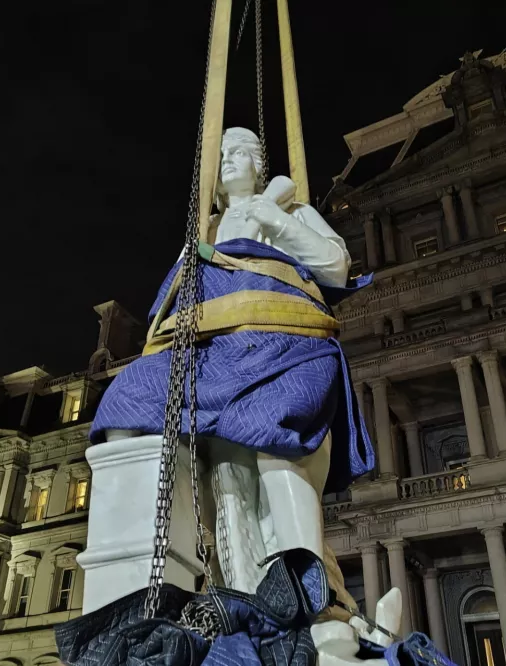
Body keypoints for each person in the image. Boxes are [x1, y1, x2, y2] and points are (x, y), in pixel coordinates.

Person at [90, 127, 373, 609]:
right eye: (220, 156)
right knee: (123, 404)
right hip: (212, 351)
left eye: (240, 153)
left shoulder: (292, 210)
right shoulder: (206, 231)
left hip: (284, 342)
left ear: (261, 167)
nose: (228, 161)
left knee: (274, 429)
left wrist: (275, 221)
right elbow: (170, 306)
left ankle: (304, 587)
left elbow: (334, 268)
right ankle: (150, 578)